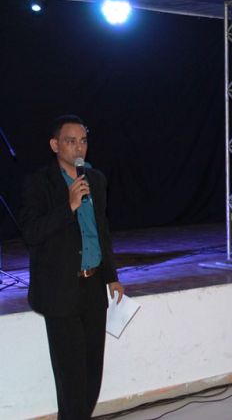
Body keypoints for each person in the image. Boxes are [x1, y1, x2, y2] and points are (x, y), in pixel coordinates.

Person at [19, 115, 124, 420]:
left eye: (83, 140)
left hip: (93, 286)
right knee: (71, 377)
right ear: (55, 145)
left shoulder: (96, 180)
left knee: (92, 374)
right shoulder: (38, 183)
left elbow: (101, 230)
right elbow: (31, 232)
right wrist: (69, 206)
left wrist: (112, 276)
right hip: (60, 289)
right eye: (71, 141)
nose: (79, 147)